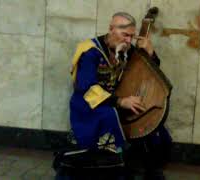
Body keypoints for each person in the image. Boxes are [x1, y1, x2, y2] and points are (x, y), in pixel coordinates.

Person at [67, 12, 172, 180]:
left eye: (131, 36)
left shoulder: (125, 50)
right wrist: (121, 101)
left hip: (115, 101)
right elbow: (87, 88)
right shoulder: (89, 52)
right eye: (125, 35)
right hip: (89, 106)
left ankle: (151, 167)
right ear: (111, 29)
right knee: (110, 115)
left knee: (150, 120)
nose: (128, 41)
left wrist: (151, 54)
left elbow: (147, 71)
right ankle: (115, 170)